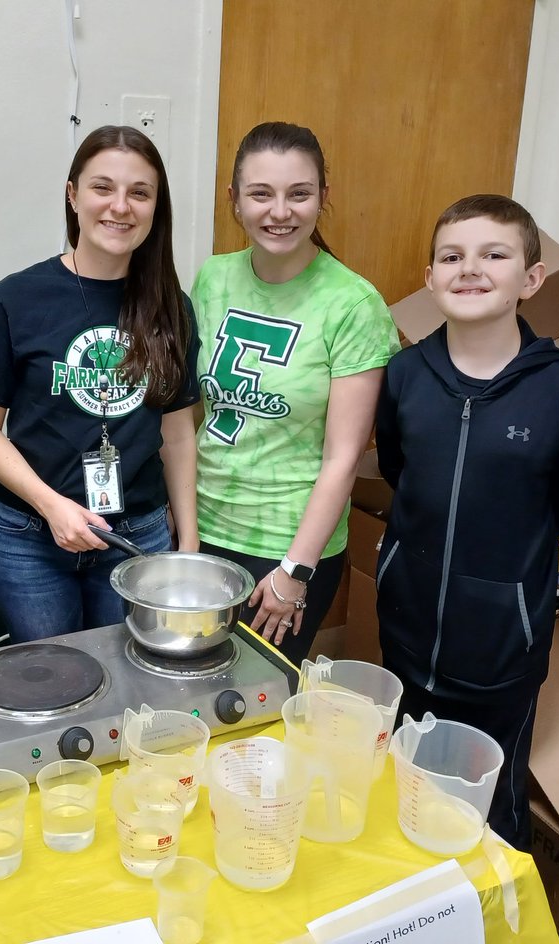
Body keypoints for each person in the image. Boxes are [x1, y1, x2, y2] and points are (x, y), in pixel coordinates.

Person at [374, 194, 559, 850]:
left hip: (503, 644)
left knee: (485, 814)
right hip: (407, 629)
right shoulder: (405, 375)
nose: (469, 269)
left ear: (531, 279)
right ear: (429, 279)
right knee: (408, 790)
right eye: (452, 256)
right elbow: (399, 468)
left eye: (493, 255)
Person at [0, 125, 199, 642]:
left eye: (140, 193)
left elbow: (176, 434)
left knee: (131, 687)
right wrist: (50, 504)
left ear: (157, 207)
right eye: (102, 187)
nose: (120, 206)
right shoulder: (17, 298)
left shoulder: (172, 307)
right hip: (32, 538)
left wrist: (189, 547)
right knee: (56, 683)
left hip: (139, 535)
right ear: (73, 194)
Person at [191, 122, 399, 669]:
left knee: (251, 713)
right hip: (201, 527)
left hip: (285, 546)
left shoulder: (354, 304)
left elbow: (343, 457)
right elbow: (192, 412)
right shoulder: (212, 278)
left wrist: (295, 571)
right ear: (233, 200)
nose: (279, 211)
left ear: (323, 199)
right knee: (182, 698)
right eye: (261, 193)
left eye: (299, 194)